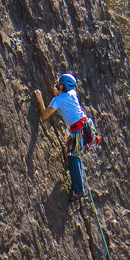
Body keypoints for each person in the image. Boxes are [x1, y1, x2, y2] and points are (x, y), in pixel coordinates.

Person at [34, 73, 91, 202]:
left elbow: (44, 115)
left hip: (78, 131)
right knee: (75, 156)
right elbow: (60, 96)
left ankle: (79, 190)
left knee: (73, 160)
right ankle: (79, 183)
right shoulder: (72, 94)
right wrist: (57, 92)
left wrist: (40, 98)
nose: (57, 84)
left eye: (59, 83)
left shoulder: (58, 100)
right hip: (85, 126)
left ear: (63, 86)